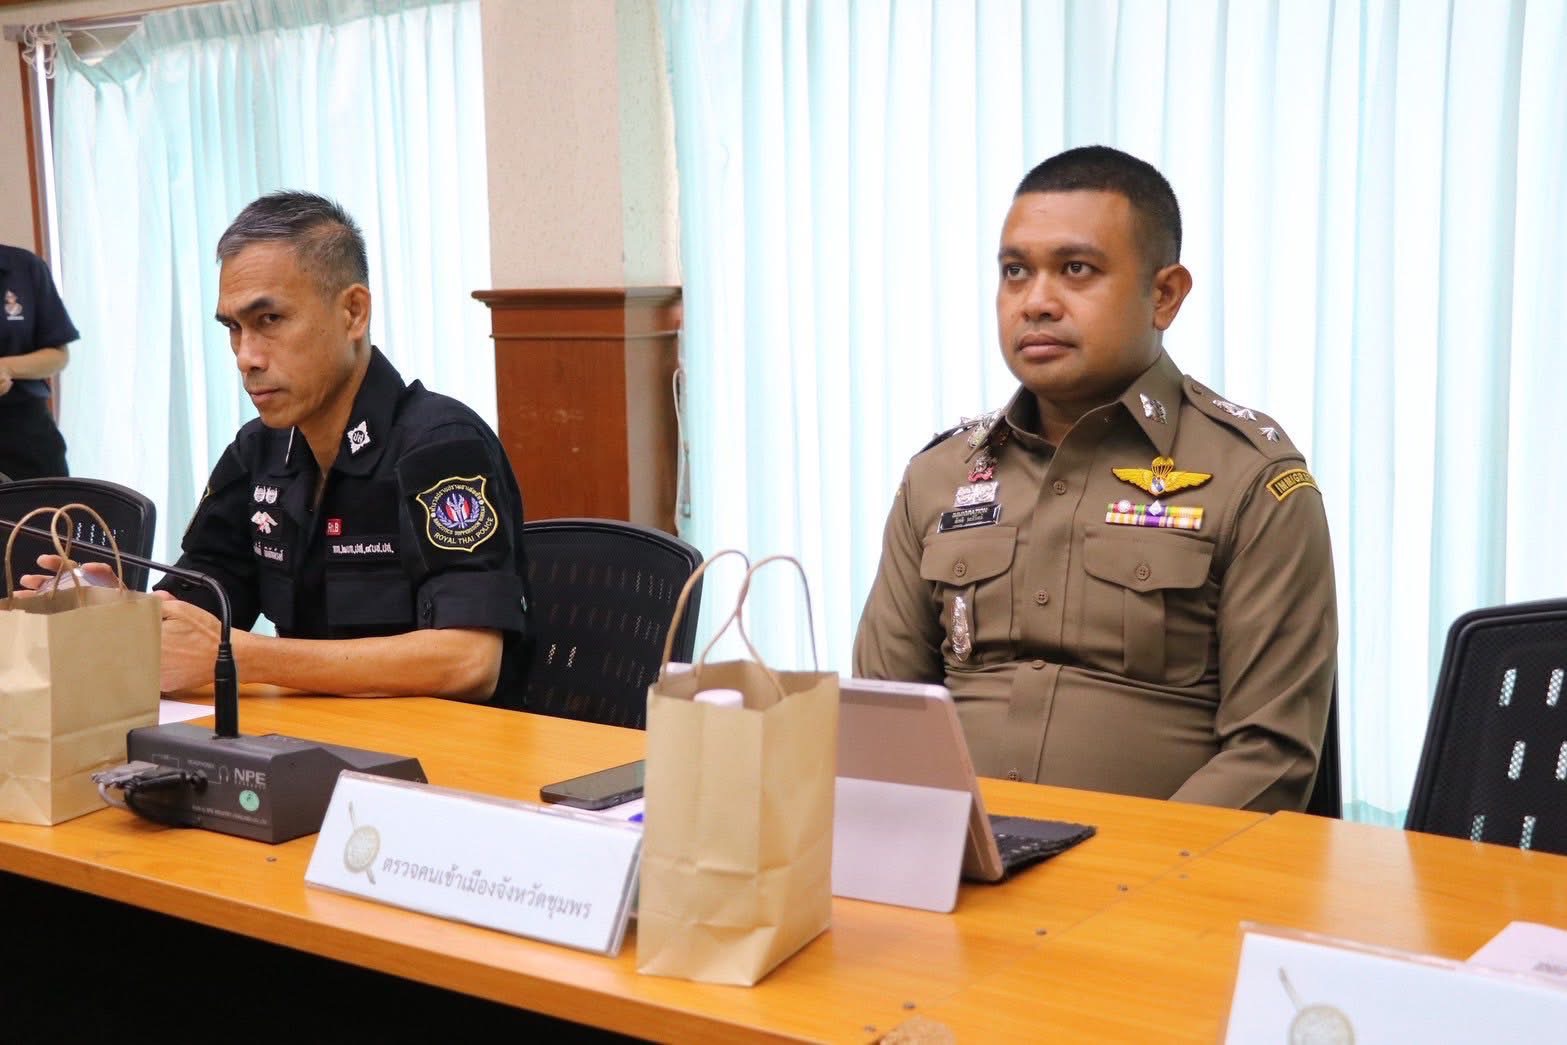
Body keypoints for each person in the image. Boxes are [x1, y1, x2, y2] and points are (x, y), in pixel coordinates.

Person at [853, 146, 1336, 813]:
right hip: (958, 854)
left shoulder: (1250, 479)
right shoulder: (939, 476)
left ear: (1163, 295)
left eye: (1076, 269)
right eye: (1015, 272)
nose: (1036, 302)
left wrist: (1128, 866)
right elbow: (884, 716)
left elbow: (1270, 754)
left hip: (1158, 867)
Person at [25, 191, 531, 704]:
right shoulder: (257, 451)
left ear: (353, 312)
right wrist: (124, 614)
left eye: (269, 320)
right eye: (233, 327)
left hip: (440, 744)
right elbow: (203, 608)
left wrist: (245, 656)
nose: (246, 357)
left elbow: (470, 659)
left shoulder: (440, 446)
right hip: (308, 737)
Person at [0, 242, 77, 480]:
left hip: (25, 431)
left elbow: (58, 355)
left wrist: (7, 367)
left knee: (49, 503)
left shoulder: (24, 266)